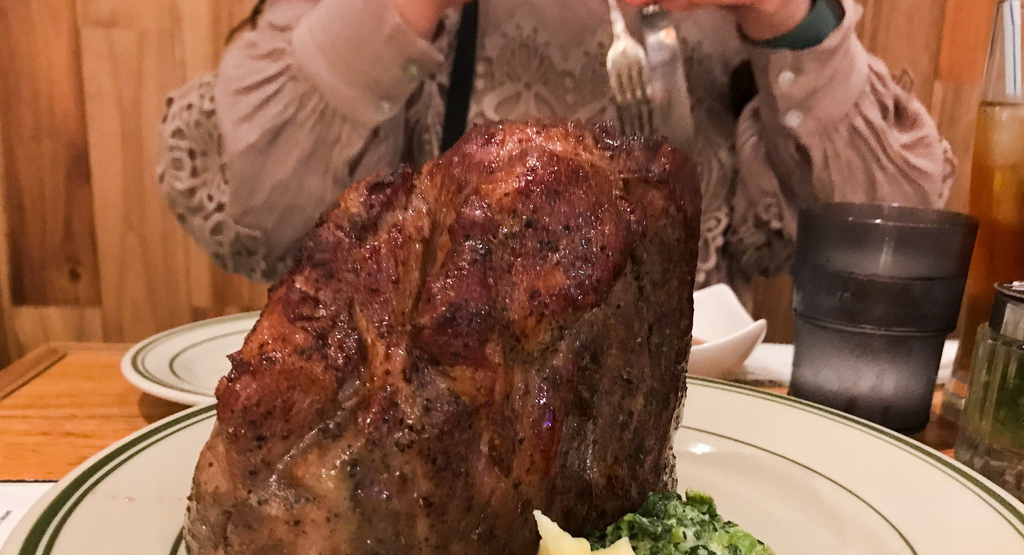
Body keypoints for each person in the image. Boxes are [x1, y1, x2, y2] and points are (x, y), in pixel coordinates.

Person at [157, 0, 954, 303]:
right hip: (432, 427)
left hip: (704, 433)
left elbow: (894, 253)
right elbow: (269, 218)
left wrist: (782, 10)